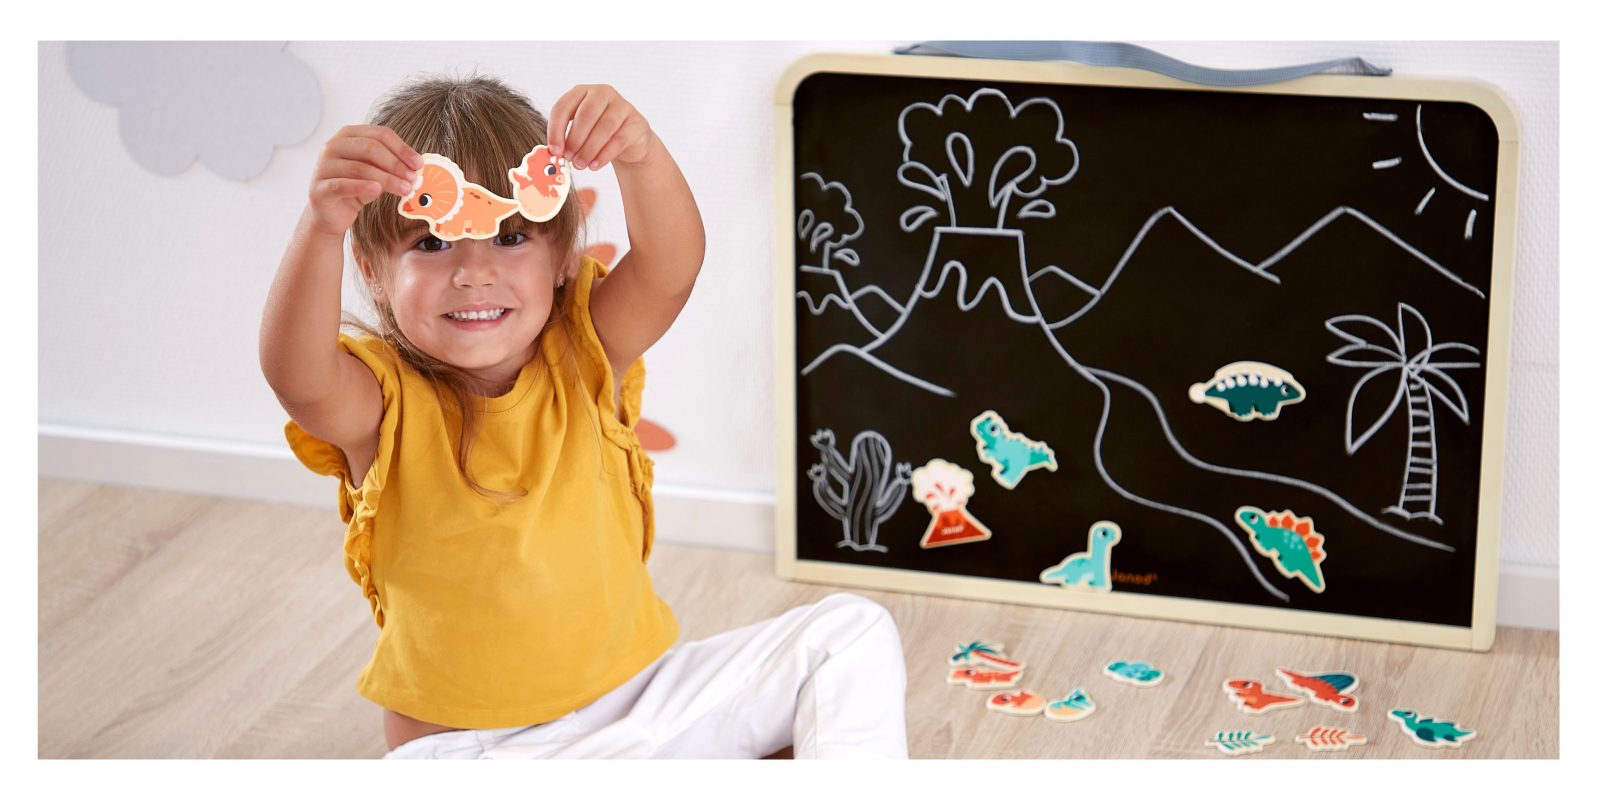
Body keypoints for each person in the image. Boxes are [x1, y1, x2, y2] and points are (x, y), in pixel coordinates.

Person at [258, 74, 908, 759]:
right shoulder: (379, 402)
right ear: (370, 269)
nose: (474, 271)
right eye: (433, 243)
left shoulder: (587, 349)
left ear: (563, 256)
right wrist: (321, 226)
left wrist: (639, 151)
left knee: (849, 632)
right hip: (475, 751)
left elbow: (672, 266)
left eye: (510, 236)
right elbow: (297, 377)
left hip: (642, 703)